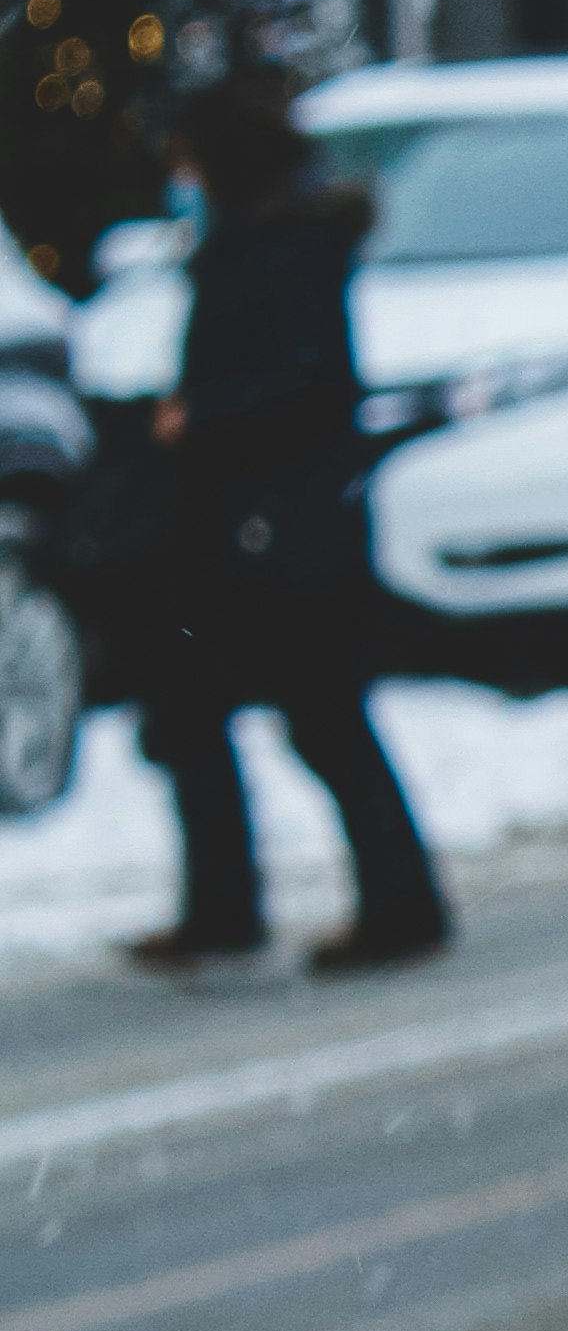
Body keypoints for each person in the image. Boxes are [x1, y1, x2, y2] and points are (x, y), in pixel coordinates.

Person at [122, 73, 450, 977]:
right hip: (252, 526)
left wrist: (202, 417)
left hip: (279, 530)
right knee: (219, 712)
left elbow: (313, 385)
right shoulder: (251, 244)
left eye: (185, 158)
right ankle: (240, 907)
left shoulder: (284, 249)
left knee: (318, 714)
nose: (175, 174)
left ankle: (390, 905)